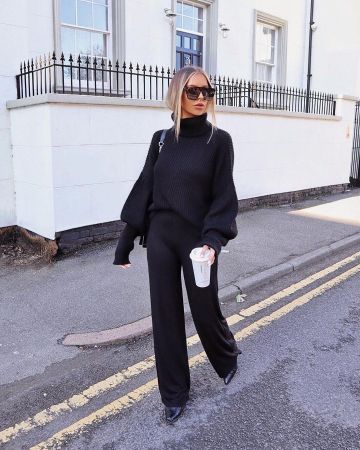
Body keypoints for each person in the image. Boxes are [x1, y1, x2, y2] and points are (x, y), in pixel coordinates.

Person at [113, 65, 241, 424]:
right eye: (193, 91)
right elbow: (145, 189)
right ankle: (174, 393)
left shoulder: (219, 140)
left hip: (198, 242)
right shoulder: (161, 140)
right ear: (177, 94)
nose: (202, 98)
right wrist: (125, 241)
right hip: (161, 239)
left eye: (207, 92)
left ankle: (226, 356)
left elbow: (224, 197)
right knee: (165, 317)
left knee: (204, 309)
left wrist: (214, 240)